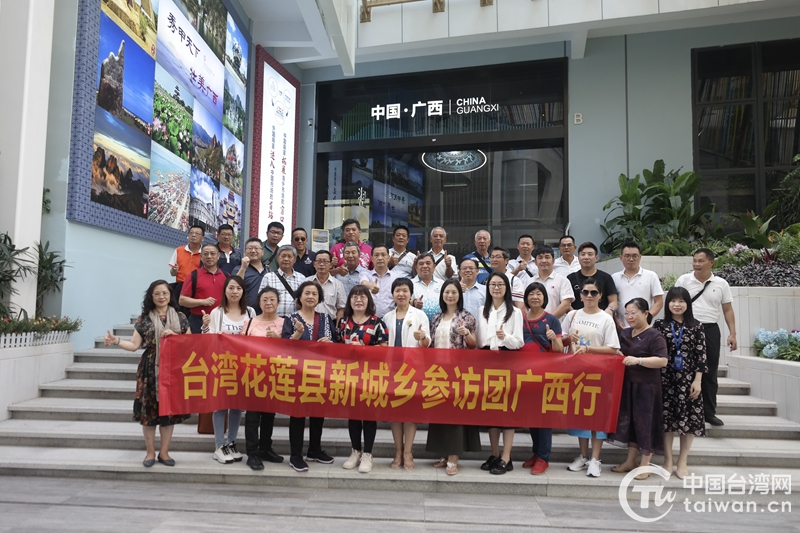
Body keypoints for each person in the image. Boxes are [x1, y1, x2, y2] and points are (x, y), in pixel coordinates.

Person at [104, 280, 189, 467]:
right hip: (150, 368)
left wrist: (175, 337)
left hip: (173, 369)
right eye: (157, 293)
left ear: (170, 295)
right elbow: (134, 345)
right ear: (151, 297)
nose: (161, 297)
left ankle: (164, 452)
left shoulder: (181, 317)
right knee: (148, 412)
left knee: (168, 413)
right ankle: (150, 452)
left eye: (165, 293)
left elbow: (190, 343)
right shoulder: (145, 319)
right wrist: (116, 340)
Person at [563, 277, 621, 478]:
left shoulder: (606, 318)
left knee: (597, 416)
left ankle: (596, 459)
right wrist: (568, 339)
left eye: (593, 292)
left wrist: (589, 349)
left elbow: (613, 348)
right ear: (580, 296)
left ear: (600, 296)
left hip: (598, 374)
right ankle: (583, 455)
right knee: (580, 415)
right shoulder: (572, 315)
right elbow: (562, 340)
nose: (589, 296)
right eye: (586, 292)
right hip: (576, 373)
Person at [675, 248, 737, 427]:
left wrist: (732, 333)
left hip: (710, 329)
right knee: (684, 370)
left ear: (711, 263)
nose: (696, 264)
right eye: (694, 260)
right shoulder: (684, 280)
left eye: (701, 261)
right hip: (687, 327)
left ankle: (708, 412)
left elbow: (727, 310)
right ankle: (683, 410)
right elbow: (674, 304)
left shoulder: (721, 284)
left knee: (710, 371)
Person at [608, 298, 669, 480]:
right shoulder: (625, 333)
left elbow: (662, 361)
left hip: (647, 388)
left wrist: (638, 360)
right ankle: (630, 460)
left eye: (633, 313)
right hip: (628, 385)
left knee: (645, 424)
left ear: (646, 313)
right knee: (631, 423)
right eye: (627, 313)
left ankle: (645, 464)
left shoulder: (655, 336)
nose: (629, 317)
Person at [281, 281, 337, 472]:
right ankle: (295, 455)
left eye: (314, 294)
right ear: (300, 296)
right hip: (298, 373)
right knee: (297, 415)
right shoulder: (291, 319)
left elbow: (336, 343)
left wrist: (330, 342)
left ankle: (314, 450)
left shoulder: (326, 318)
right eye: (307, 293)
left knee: (318, 414)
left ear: (319, 298)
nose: (311, 297)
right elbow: (284, 346)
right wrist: (298, 333)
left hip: (321, 373)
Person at [426, 279, 479, 475]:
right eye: (447, 292)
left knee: (455, 414)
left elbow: (473, 344)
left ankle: (453, 458)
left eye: (454, 292)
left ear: (459, 295)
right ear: (442, 295)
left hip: (458, 372)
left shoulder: (466, 317)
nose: (450, 295)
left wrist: (466, 334)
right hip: (438, 372)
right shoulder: (436, 318)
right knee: (439, 413)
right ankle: (443, 453)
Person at [653, 287, 707, 479]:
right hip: (665, 379)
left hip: (688, 380)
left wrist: (698, 381)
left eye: (681, 301)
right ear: (667, 304)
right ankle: (668, 460)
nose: (677, 305)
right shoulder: (660, 325)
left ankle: (683, 461)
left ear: (687, 304)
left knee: (688, 421)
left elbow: (701, 356)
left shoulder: (697, 326)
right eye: (673, 301)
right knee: (667, 421)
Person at [201, 275, 255, 464]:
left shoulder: (250, 311)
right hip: (221, 364)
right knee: (220, 405)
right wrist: (205, 326)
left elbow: (254, 337)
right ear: (225, 291)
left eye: (238, 288)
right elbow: (208, 339)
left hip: (242, 365)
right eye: (231, 288)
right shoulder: (217, 312)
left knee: (237, 406)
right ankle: (219, 445)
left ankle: (231, 442)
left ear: (243, 291)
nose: (234, 292)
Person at [337, 285, 389, 473]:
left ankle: (368, 454)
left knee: (368, 415)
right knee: (353, 415)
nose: (358, 300)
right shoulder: (343, 322)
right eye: (354, 296)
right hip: (348, 374)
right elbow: (336, 348)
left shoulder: (377, 322)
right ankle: (355, 451)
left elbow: (384, 349)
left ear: (369, 300)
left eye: (362, 297)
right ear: (349, 300)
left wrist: (363, 349)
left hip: (370, 375)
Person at [476, 272, 524, 475]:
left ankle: (506, 456)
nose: (496, 288)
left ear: (507, 288)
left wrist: (505, 337)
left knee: (507, 411)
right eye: (493, 285)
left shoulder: (515, 312)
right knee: (491, 410)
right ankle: (494, 454)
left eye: (500, 285)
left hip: (507, 361)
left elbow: (519, 342)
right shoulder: (482, 310)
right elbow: (480, 339)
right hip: (487, 362)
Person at [383, 278, 430, 471]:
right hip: (392, 371)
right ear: (393, 294)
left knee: (410, 413)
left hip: (412, 371)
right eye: (397, 291)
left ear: (411, 294)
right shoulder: (387, 317)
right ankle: (398, 451)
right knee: (395, 413)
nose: (401, 294)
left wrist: (422, 337)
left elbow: (427, 344)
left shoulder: (420, 315)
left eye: (404, 290)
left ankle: (408, 452)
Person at [520, 282, 564, 476]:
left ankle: (543, 458)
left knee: (544, 415)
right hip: (523, 373)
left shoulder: (552, 320)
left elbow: (559, 350)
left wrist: (553, 338)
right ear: (526, 298)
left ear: (544, 297)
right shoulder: (520, 318)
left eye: (538, 294)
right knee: (531, 415)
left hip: (545, 374)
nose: (535, 297)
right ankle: (536, 452)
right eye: (531, 294)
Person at [241, 287, 285, 470]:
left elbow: (291, 349)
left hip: (274, 375)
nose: (268, 303)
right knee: (252, 416)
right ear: (259, 303)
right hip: (253, 376)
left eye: (272, 299)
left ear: (278, 303)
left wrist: (279, 338)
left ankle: (265, 448)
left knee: (269, 415)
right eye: (264, 299)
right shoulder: (250, 323)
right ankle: (252, 453)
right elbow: (240, 347)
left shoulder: (284, 323)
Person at [611, 242, 664, 327]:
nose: (631, 259)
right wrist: (617, 321)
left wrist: (648, 318)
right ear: (621, 258)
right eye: (627, 256)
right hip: (622, 328)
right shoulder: (614, 277)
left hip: (644, 328)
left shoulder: (651, 276)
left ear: (640, 257)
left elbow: (659, 302)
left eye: (635, 256)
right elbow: (611, 302)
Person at [179, 243, 227, 333]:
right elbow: (182, 300)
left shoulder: (226, 276)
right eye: (206, 254)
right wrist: (202, 302)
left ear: (218, 256)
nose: (209, 256)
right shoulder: (193, 276)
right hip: (198, 321)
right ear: (201, 257)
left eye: (212, 253)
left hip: (221, 320)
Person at [567, 242, 618, 317]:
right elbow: (566, 302)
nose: (586, 257)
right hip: (577, 320)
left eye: (590, 254)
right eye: (583, 254)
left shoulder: (606, 277)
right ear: (578, 258)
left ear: (596, 258)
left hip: (600, 319)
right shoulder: (570, 278)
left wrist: (608, 311)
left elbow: (613, 301)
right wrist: (575, 315)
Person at [259, 245, 306, 317]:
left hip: (295, 320)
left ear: (294, 260)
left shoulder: (302, 278)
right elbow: (261, 299)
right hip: (273, 319)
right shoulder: (268, 277)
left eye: (289, 256)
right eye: (283, 256)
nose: (286, 259)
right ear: (278, 258)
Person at [529, 245, 574, 320]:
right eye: (540, 258)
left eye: (547, 257)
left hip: (555, 325)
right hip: (532, 325)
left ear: (553, 260)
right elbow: (524, 304)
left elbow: (565, 304)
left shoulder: (563, 281)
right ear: (535, 262)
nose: (544, 261)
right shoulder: (528, 281)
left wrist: (548, 321)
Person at [305, 250, 346, 321]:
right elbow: (299, 304)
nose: (321, 264)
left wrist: (337, 326)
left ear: (331, 265)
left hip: (330, 323)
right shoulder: (306, 282)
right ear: (314, 264)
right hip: (309, 322)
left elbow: (341, 308)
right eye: (319, 261)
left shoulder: (338, 284)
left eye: (325, 261)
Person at [168, 224, 203, 306]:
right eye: (191, 233)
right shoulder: (179, 250)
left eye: (197, 233)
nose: (193, 235)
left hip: (197, 287)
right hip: (181, 286)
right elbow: (172, 274)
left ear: (202, 238)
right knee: (178, 310)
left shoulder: (205, 253)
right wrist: (174, 270)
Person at [361, 244, 397, 318]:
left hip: (391, 318)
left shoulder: (396, 278)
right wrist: (371, 286)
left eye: (383, 255)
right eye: (376, 255)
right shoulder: (365, 274)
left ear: (388, 257)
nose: (380, 258)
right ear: (372, 258)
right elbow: (363, 282)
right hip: (369, 319)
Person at [237, 237, 268, 312]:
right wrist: (243, 268)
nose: (253, 251)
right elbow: (235, 285)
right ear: (245, 251)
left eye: (256, 248)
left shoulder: (269, 270)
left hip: (265, 313)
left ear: (262, 252)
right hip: (245, 312)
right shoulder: (238, 269)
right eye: (250, 248)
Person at [411, 252, 443, 322]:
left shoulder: (442, 284)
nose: (425, 266)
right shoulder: (409, 284)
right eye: (421, 264)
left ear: (434, 266)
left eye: (428, 263)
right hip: (417, 324)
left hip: (439, 324)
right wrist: (413, 303)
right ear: (416, 267)